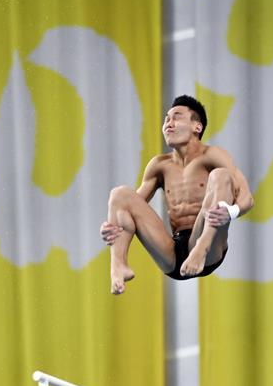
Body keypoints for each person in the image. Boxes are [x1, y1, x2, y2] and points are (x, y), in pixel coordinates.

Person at [100, 95, 254, 294]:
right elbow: (131, 208)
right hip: (173, 253)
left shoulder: (213, 155)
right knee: (119, 194)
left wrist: (231, 212)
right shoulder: (159, 165)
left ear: (196, 127)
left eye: (177, 118)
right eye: (166, 120)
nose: (168, 124)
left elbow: (247, 198)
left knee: (220, 176)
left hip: (208, 245)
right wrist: (112, 227)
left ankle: (201, 248)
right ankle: (118, 266)